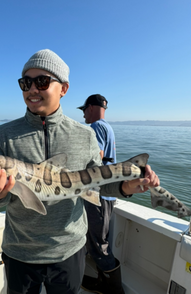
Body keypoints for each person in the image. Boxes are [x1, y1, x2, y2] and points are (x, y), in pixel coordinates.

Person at [0, 49, 160, 294]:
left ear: (63, 88)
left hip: (69, 250)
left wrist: (126, 187)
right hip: (20, 250)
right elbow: (3, 199)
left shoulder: (85, 135)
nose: (32, 89)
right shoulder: (4, 135)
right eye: (25, 82)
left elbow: (99, 184)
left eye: (42, 81)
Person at [78, 94, 122, 293]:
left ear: (91, 108)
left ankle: (113, 290)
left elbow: (97, 155)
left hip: (99, 196)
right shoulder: (107, 127)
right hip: (105, 195)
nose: (84, 114)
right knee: (98, 241)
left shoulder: (95, 128)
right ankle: (101, 283)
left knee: (99, 245)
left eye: (84, 110)